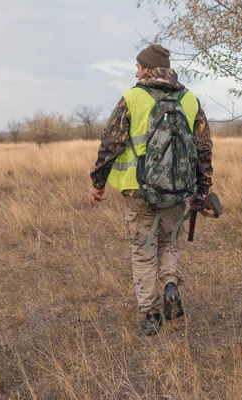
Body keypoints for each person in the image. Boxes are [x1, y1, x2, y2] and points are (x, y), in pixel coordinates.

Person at [88, 43, 213, 336]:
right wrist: (203, 187)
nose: (136, 71)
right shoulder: (190, 99)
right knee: (169, 243)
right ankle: (170, 284)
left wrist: (98, 184)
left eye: (138, 66)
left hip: (138, 191)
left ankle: (152, 315)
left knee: (143, 253)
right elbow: (204, 148)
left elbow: (110, 143)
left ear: (147, 68)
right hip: (178, 191)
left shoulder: (132, 97)